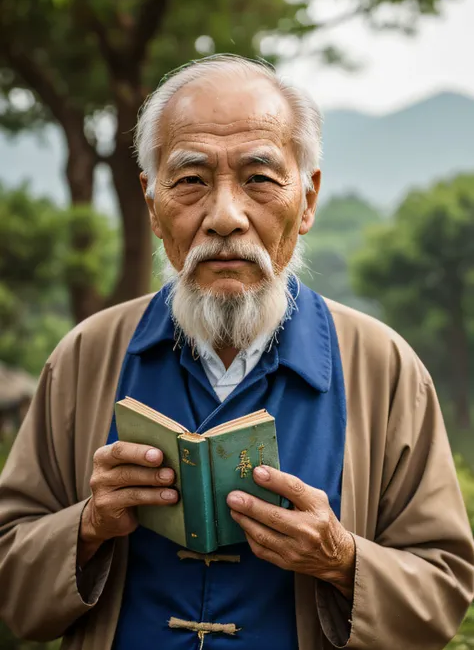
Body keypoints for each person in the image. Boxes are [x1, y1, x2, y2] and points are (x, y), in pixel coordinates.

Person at [0, 55, 473, 650]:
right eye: (191, 179)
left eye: (259, 178)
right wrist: (88, 527)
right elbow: (10, 576)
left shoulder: (385, 367)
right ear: (152, 202)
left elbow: (445, 587)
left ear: (307, 200)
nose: (225, 217)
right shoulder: (85, 357)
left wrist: (341, 558)